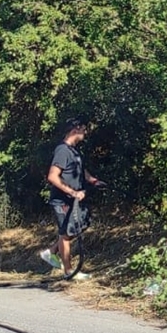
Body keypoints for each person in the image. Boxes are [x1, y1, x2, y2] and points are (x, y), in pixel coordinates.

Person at [39, 117, 104, 280]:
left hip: (75, 199)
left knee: (80, 225)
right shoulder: (62, 150)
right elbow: (53, 177)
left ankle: (52, 251)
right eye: (83, 128)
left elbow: (80, 169)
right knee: (66, 234)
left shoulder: (74, 150)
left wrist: (93, 180)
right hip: (63, 201)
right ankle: (69, 272)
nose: (86, 132)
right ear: (75, 130)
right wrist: (72, 192)